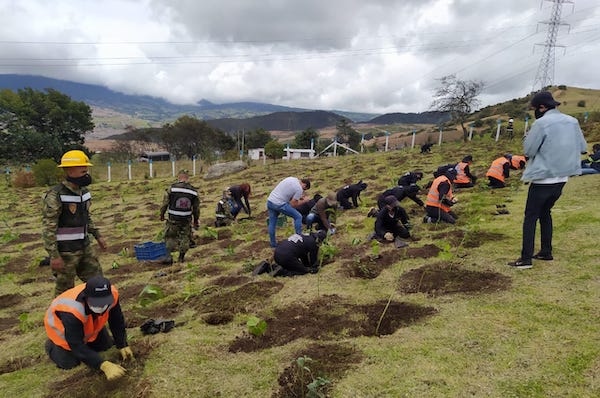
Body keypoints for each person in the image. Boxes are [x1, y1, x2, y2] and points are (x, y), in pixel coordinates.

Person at [508, 91, 587, 269]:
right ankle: (546, 251)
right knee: (545, 213)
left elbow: (529, 151)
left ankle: (525, 259)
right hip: (562, 178)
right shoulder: (572, 121)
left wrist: (527, 138)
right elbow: (582, 147)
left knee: (530, 217)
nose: (534, 112)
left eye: (535, 108)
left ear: (542, 107)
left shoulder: (541, 123)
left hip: (543, 178)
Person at [42, 150, 107, 297]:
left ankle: (98, 316)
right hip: (65, 252)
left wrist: (98, 236)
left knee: (99, 285)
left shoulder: (84, 192)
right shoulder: (55, 195)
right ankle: (60, 319)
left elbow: (86, 217)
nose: (86, 173)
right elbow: (48, 228)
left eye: (87, 169)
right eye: (83, 169)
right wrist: (54, 256)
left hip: (85, 247)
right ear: (70, 170)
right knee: (65, 293)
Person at [44, 276, 134, 380]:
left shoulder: (112, 295)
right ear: (86, 298)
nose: (102, 306)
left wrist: (122, 344)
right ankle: (51, 346)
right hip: (65, 336)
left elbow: (116, 320)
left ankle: (90, 343)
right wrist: (103, 365)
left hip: (90, 329)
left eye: (104, 302)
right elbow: (76, 344)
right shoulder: (72, 310)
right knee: (70, 363)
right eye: (97, 303)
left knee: (106, 346)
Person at [159, 169, 200, 263]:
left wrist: (161, 215)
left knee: (170, 236)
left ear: (179, 177)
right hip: (186, 219)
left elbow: (165, 204)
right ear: (187, 178)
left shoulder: (172, 188)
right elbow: (196, 209)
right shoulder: (194, 191)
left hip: (173, 218)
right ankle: (181, 258)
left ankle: (168, 256)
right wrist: (196, 220)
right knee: (185, 237)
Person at [266, 177, 311, 247]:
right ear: (304, 185)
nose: (303, 191)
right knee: (298, 216)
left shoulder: (292, 179)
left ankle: (273, 245)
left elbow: (287, 192)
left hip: (270, 201)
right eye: (304, 189)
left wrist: (298, 197)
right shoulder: (299, 188)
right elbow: (293, 205)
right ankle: (299, 238)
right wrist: (304, 201)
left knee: (272, 223)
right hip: (279, 204)